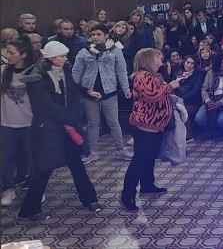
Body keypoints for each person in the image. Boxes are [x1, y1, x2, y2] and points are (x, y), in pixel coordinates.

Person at [18, 41, 102, 220]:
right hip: (47, 130)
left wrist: (84, 96)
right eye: (61, 56)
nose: (65, 58)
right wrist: (71, 119)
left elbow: (71, 93)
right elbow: (45, 106)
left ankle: (90, 199)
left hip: (66, 128)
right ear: (51, 58)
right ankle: (29, 209)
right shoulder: (37, 78)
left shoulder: (64, 69)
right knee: (44, 169)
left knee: (76, 165)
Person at [120, 48, 182, 212]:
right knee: (140, 159)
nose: (162, 61)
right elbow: (152, 95)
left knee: (150, 157)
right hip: (145, 124)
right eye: (158, 58)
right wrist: (170, 86)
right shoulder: (143, 76)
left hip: (155, 124)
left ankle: (147, 184)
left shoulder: (154, 75)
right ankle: (127, 195)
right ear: (149, 60)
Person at [72, 24, 133, 164]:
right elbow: (76, 72)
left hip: (109, 91)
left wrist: (126, 89)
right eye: (93, 34)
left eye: (98, 34)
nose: (95, 37)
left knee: (114, 122)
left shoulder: (115, 51)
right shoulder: (84, 51)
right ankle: (93, 152)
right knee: (93, 123)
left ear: (106, 36)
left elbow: (121, 71)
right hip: (89, 92)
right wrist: (76, 90)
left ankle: (120, 150)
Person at [1, 39, 35, 206]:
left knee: (32, 157)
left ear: (23, 54)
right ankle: (9, 189)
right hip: (7, 123)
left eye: (12, 53)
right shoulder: (3, 72)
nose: (8, 56)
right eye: (7, 52)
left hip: (29, 123)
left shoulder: (33, 73)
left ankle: (36, 189)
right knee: (6, 158)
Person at [196, 55, 223, 140]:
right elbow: (204, 88)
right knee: (199, 118)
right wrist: (207, 100)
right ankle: (210, 131)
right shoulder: (210, 74)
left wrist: (221, 102)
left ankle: (220, 132)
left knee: (221, 120)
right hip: (211, 100)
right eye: (222, 63)